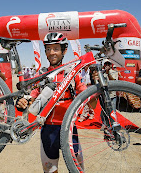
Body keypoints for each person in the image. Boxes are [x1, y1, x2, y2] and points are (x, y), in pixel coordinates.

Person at [16, 32, 96, 172]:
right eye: (48, 49)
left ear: (64, 50)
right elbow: (32, 100)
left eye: (56, 49)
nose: (52, 52)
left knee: (77, 169)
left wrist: (95, 84)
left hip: (69, 129)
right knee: (50, 170)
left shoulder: (72, 73)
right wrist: (23, 101)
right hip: (48, 130)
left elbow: (92, 104)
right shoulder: (42, 74)